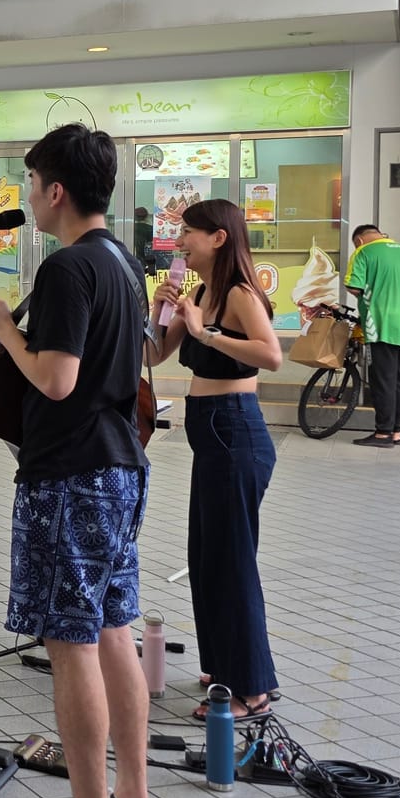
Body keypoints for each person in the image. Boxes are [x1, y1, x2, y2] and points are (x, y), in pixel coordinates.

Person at [0, 123, 157, 798]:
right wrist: (2, 355)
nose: (29, 196)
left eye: (32, 184)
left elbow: (60, 380)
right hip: (120, 467)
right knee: (113, 631)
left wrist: (5, 331)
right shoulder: (121, 261)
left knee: (70, 644)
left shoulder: (67, 268)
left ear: (56, 190)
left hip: (70, 475)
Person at [147, 199, 284, 723]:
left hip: (235, 431)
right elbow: (152, 355)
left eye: (188, 232)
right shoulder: (200, 293)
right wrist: (158, 312)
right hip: (211, 436)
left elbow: (271, 355)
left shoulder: (239, 293)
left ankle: (251, 689)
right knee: (206, 557)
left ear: (219, 238)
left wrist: (206, 332)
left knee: (230, 562)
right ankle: (223, 666)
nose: (180, 242)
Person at [346, 224, 400, 448]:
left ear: (359, 240)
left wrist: (373, 292)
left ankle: (383, 433)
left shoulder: (363, 252)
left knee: (383, 380)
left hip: (381, 323)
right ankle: (396, 432)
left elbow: (354, 286)